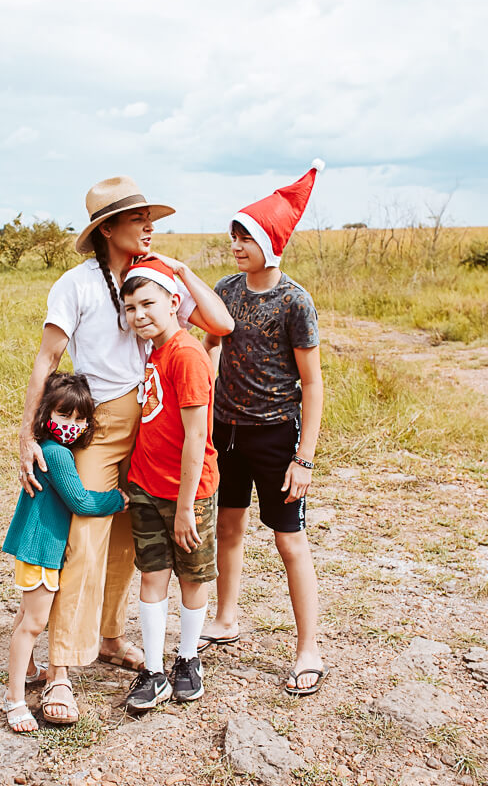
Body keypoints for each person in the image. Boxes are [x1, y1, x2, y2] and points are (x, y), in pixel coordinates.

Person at [17, 176, 233, 723]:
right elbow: (46, 361)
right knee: (83, 541)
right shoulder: (77, 285)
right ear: (107, 229)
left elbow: (219, 323)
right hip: (102, 422)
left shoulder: (150, 282)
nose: (150, 227)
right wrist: (26, 436)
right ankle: (61, 670)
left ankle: (109, 636)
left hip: (153, 420)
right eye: (138, 219)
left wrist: (181, 271)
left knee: (126, 544)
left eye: (149, 218)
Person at [200, 160, 329, 696]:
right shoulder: (226, 291)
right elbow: (207, 343)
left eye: (246, 236)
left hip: (276, 435)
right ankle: (226, 618)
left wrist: (304, 458)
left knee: (288, 539)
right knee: (227, 529)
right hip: (225, 431)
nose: (235, 245)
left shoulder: (294, 301)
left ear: (270, 241)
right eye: (233, 235)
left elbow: (314, 385)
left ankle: (309, 648)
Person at [118, 258, 221, 711]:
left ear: (173, 302)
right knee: (153, 574)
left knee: (192, 576)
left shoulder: (185, 353)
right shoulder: (150, 354)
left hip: (188, 493)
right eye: (129, 307)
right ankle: (155, 670)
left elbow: (197, 436)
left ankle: (188, 658)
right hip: (144, 487)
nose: (138, 315)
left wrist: (184, 507)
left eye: (147, 304)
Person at [0, 372, 126, 731]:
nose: (72, 425)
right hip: (42, 549)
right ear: (46, 414)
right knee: (34, 623)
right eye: (63, 416)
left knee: (26, 615)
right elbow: (82, 502)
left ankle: (25, 672)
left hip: (33, 546)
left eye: (80, 418)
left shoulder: (50, 447)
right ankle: (14, 701)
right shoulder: (57, 455)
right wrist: (118, 499)